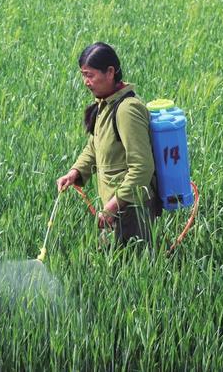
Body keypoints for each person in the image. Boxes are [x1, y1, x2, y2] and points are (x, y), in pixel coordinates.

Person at [56, 42, 161, 246]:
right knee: (110, 265)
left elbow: (142, 167)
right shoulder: (105, 104)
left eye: (90, 75)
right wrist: (75, 173)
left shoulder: (126, 110)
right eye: (83, 75)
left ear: (110, 72)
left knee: (133, 268)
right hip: (117, 207)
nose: (86, 82)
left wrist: (113, 206)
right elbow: (94, 146)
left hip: (132, 209)